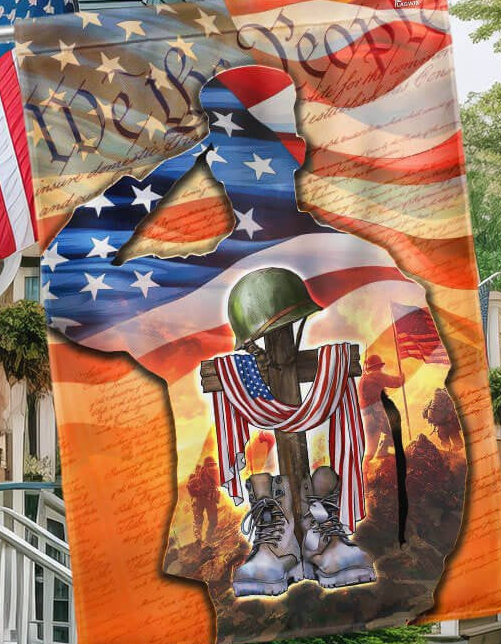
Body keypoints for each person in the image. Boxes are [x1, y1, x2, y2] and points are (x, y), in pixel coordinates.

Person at [42, 64, 456, 601]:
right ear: (298, 148)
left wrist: (168, 172)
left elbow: (431, 419)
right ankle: (277, 524)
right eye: (241, 146)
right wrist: (163, 174)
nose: (246, 163)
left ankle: (320, 517)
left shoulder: (370, 273)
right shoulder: (189, 286)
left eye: (242, 146)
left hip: (367, 563)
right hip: (225, 563)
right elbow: (69, 294)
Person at [358, 355, 406, 462]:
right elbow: (395, 382)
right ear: (378, 366)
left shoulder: (363, 379)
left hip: (365, 415)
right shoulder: (377, 376)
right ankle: (382, 452)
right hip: (376, 413)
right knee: (393, 432)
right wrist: (401, 377)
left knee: (370, 448)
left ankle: (369, 464)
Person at [188, 456, 220, 543]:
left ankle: (208, 539)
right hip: (199, 500)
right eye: (210, 465)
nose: (212, 467)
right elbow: (190, 486)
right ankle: (199, 539)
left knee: (213, 521)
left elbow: (218, 483)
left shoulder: (214, 472)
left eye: (213, 465)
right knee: (199, 521)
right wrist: (198, 493)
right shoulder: (197, 477)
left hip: (209, 499)